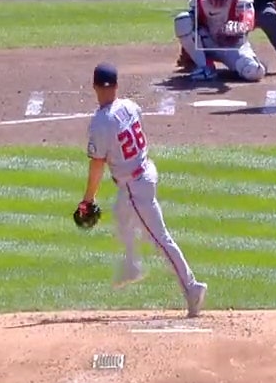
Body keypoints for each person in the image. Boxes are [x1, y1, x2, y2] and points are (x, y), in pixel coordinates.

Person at [81, 62, 208, 317]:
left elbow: (97, 166)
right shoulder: (130, 106)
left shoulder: (100, 123)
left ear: (94, 87)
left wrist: (88, 200)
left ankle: (192, 287)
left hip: (133, 186)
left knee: (160, 239)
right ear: (116, 86)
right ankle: (132, 264)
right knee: (121, 214)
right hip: (146, 172)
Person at [172, 0, 268, 83]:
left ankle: (246, 64)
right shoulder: (198, 1)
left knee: (254, 72)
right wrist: (187, 54)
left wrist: (240, 27)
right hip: (207, 44)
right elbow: (188, 28)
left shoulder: (241, 1)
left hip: (233, 47)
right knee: (182, 20)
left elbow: (249, 21)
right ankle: (205, 66)